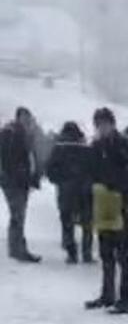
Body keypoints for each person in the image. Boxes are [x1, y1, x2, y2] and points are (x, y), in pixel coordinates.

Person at [85, 108, 128, 315]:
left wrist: (120, 186)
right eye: (99, 125)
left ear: (112, 125)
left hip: (122, 204)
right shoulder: (95, 147)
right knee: (105, 252)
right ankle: (107, 293)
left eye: (105, 124)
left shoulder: (124, 146)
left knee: (123, 253)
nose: (102, 129)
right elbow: (90, 173)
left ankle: (125, 298)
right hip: (103, 204)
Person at [46, 121, 93, 264]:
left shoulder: (59, 148)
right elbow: (94, 168)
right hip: (85, 190)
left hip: (66, 191)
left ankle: (71, 253)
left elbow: (50, 169)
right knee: (87, 223)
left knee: (67, 222)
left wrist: (60, 180)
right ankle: (87, 253)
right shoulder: (85, 148)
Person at [0, 106, 42, 262]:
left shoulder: (20, 133)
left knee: (18, 215)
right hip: (14, 181)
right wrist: (20, 174)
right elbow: (12, 159)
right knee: (18, 215)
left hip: (16, 180)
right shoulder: (12, 133)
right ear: (18, 117)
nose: (27, 121)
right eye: (25, 118)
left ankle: (16, 248)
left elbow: (29, 157)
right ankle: (17, 249)